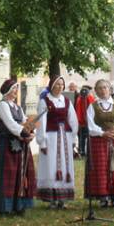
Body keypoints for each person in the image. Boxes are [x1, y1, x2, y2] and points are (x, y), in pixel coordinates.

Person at [0, 79, 36, 215]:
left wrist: (32, 133)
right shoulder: (2, 106)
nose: (16, 91)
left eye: (17, 89)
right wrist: (25, 133)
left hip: (20, 144)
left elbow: (25, 122)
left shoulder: (18, 107)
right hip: (6, 144)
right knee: (8, 175)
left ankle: (19, 205)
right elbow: (11, 124)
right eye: (14, 89)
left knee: (20, 175)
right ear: (7, 91)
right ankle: (5, 207)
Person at [86, 79, 114, 208]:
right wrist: (102, 133)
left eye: (105, 87)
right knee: (101, 170)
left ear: (110, 89)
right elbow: (90, 124)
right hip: (99, 141)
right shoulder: (93, 106)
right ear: (96, 91)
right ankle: (103, 197)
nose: (103, 90)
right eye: (99, 88)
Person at [36, 76, 78, 209]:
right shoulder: (45, 101)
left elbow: (73, 120)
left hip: (65, 137)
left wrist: (73, 138)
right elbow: (41, 122)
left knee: (65, 167)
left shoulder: (66, 101)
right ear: (51, 86)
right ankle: (52, 199)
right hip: (51, 138)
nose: (60, 87)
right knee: (51, 165)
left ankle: (62, 199)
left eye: (62, 85)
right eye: (57, 84)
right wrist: (42, 141)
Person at [75, 85, 95, 156]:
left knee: (82, 138)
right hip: (87, 122)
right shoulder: (90, 98)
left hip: (82, 122)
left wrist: (79, 121)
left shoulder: (79, 98)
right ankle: (87, 152)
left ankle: (82, 151)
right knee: (87, 138)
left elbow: (78, 111)